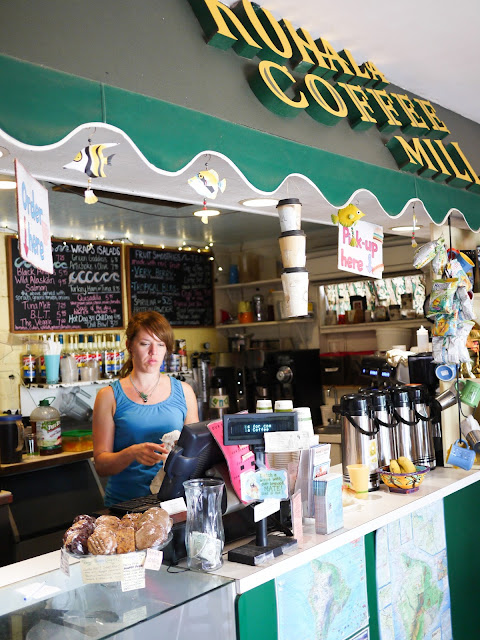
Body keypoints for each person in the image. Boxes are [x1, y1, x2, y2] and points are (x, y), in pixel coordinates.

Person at [93, 311, 199, 506]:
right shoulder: (108, 396)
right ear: (129, 346)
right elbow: (101, 465)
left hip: (173, 502)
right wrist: (131, 453)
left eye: (160, 344)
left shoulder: (185, 392)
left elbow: (195, 455)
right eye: (145, 343)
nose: (153, 352)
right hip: (125, 505)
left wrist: (179, 456)